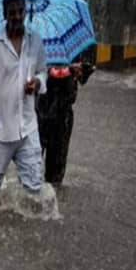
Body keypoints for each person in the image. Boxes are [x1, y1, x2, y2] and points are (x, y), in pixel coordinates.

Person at [0, 0, 47, 201]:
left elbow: (43, 71)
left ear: (25, 12)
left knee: (34, 192)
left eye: (20, 11)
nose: (16, 16)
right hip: (0, 131)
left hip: (28, 129)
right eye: (12, 12)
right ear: (5, 14)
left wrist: (38, 82)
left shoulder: (36, 41)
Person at [36, 58, 95, 186]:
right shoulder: (35, 45)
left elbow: (86, 73)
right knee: (30, 165)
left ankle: (54, 199)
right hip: (39, 112)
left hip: (63, 115)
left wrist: (78, 69)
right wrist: (48, 71)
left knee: (55, 175)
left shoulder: (73, 48)